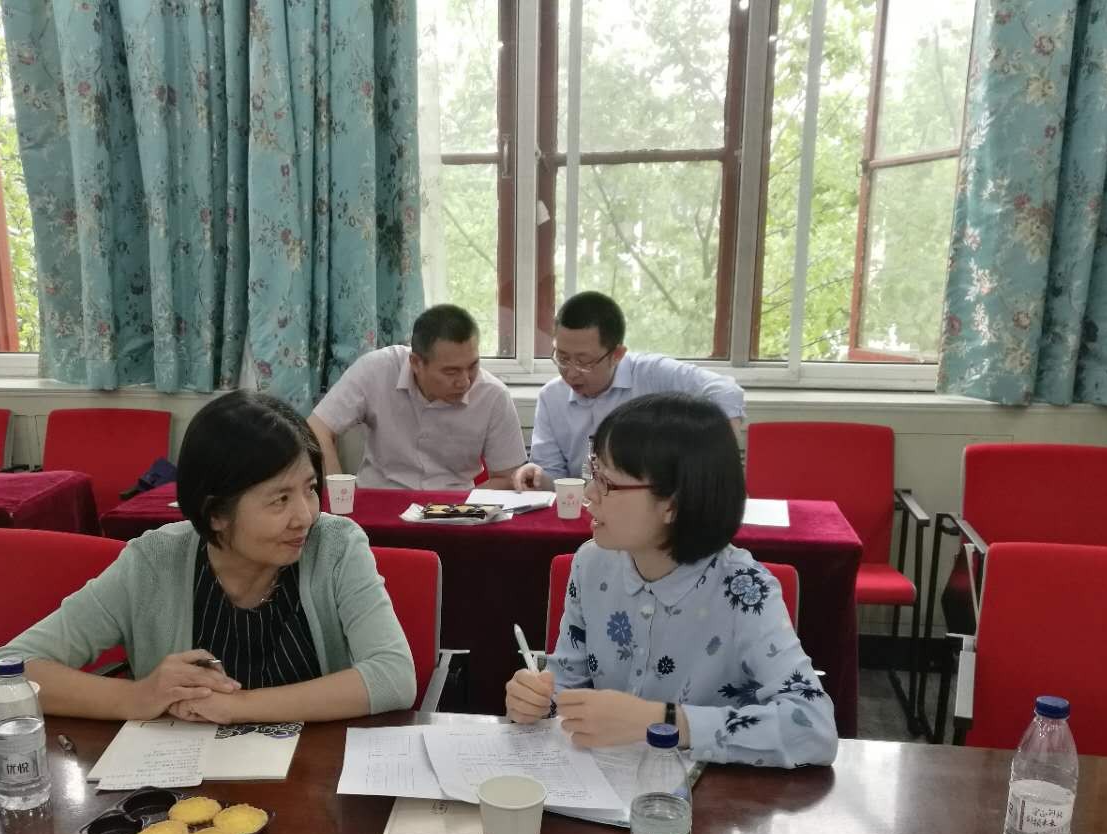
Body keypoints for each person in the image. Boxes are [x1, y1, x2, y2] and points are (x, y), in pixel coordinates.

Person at [0, 391, 416, 723]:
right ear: (216, 513)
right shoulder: (154, 561)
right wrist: (136, 696)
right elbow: (11, 670)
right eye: (279, 500)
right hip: (183, 782)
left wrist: (238, 706)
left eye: (309, 489)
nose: (305, 516)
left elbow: (393, 676)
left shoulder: (335, 545)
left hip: (313, 774)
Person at [505, 392, 836, 769]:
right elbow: (565, 686)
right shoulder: (591, 564)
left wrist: (661, 721)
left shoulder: (743, 590)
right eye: (592, 472)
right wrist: (535, 701)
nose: (589, 494)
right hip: (605, 786)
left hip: (708, 794)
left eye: (607, 482)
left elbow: (815, 728)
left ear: (673, 505)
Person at [513, 291, 746, 491]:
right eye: (562, 358)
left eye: (584, 362)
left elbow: (726, 392)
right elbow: (555, 478)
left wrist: (714, 461)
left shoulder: (652, 375)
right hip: (585, 510)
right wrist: (539, 478)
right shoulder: (551, 397)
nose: (571, 373)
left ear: (617, 354)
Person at [309, 304, 527, 490]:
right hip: (380, 499)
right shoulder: (377, 370)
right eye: (451, 372)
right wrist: (337, 500)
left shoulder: (493, 396)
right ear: (416, 363)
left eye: (472, 366)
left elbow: (508, 477)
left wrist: (467, 508)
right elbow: (317, 428)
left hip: (454, 510)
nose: (465, 382)